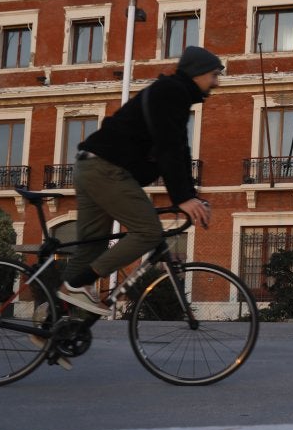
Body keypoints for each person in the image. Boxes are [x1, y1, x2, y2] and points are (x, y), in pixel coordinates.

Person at [58, 45, 223, 315]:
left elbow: (179, 149)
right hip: (106, 169)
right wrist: (183, 198)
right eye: (214, 75)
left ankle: (50, 325)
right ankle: (78, 285)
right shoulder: (173, 93)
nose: (216, 83)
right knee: (148, 232)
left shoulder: (170, 92)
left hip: (89, 166)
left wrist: (188, 194)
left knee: (91, 248)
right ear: (198, 73)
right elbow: (171, 147)